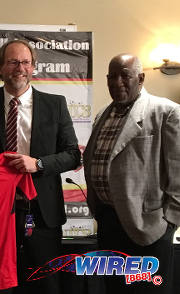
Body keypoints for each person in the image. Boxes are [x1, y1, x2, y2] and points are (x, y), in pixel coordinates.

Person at [0, 39, 80, 294]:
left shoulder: (55, 104)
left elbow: (72, 156)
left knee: (46, 284)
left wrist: (38, 164)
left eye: (25, 62)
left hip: (43, 212)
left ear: (33, 67)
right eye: (12, 62)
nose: (19, 68)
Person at [83, 54, 180, 294]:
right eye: (111, 76)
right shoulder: (102, 115)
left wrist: (170, 221)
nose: (117, 82)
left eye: (124, 75)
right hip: (109, 222)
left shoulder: (166, 112)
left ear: (141, 77)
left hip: (148, 226)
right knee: (114, 289)